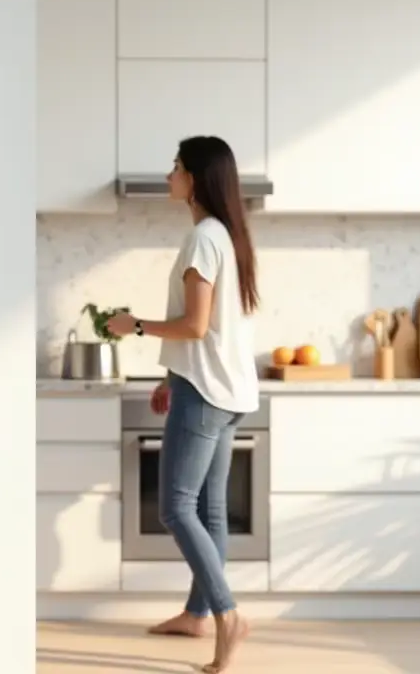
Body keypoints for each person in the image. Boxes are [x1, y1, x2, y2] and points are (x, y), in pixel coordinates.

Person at [106, 135, 259, 674]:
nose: (169, 174)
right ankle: (198, 614)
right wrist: (172, 374)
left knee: (175, 506)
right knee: (211, 508)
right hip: (229, 391)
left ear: (195, 177)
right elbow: (213, 330)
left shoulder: (202, 239)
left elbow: (194, 326)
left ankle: (227, 613)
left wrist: (135, 326)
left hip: (207, 393)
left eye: (175, 167)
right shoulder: (228, 236)